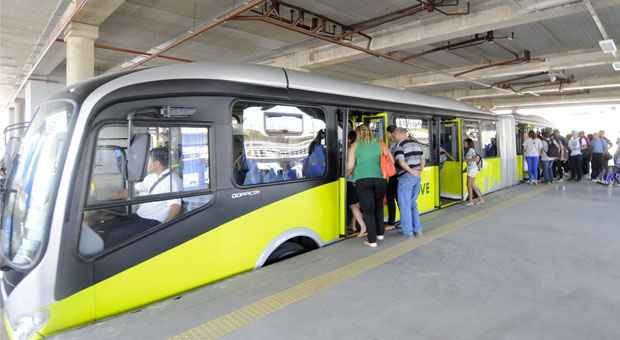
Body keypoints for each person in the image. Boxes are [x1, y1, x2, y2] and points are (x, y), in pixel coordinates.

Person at [102, 147, 183, 247]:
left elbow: (175, 206)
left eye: (149, 161)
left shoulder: (172, 181)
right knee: (106, 226)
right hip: (140, 216)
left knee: (115, 235)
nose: (146, 164)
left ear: (157, 163)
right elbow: (133, 191)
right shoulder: (151, 177)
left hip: (152, 221)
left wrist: (163, 227)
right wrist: (107, 197)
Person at [347, 124, 391, 248]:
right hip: (380, 180)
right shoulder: (380, 143)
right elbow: (390, 160)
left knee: (368, 211)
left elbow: (350, 166)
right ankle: (380, 233)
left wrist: (347, 174)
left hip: (363, 181)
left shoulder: (355, 146)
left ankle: (372, 240)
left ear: (358, 133)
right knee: (379, 207)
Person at [391, 127, 425, 238]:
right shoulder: (417, 144)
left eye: (394, 134)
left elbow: (401, 162)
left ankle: (408, 233)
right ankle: (418, 230)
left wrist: (411, 171)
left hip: (406, 177)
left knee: (404, 205)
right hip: (416, 177)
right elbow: (423, 160)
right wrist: (419, 171)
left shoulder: (400, 146)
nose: (393, 137)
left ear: (401, 134)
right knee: (412, 204)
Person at [346, 130, 367, 237]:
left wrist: (344, 176)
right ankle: (353, 225)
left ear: (349, 139)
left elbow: (350, 167)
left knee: (353, 205)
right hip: (361, 180)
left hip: (352, 181)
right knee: (356, 204)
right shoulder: (363, 149)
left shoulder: (352, 148)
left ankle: (363, 226)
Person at [463, 138, 485, 206]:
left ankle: (471, 201)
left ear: (468, 144)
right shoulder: (467, 150)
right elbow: (470, 161)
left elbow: (476, 158)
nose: (464, 144)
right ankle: (481, 199)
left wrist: (468, 160)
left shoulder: (471, 150)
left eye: (465, 143)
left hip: (472, 169)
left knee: (469, 185)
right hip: (471, 168)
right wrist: (465, 168)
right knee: (472, 185)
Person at [385, 125, 399, 229]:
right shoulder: (394, 144)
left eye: (387, 133)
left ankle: (391, 222)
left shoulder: (394, 145)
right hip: (396, 174)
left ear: (391, 133)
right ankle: (394, 221)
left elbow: (393, 160)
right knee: (396, 198)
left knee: (391, 198)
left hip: (394, 174)